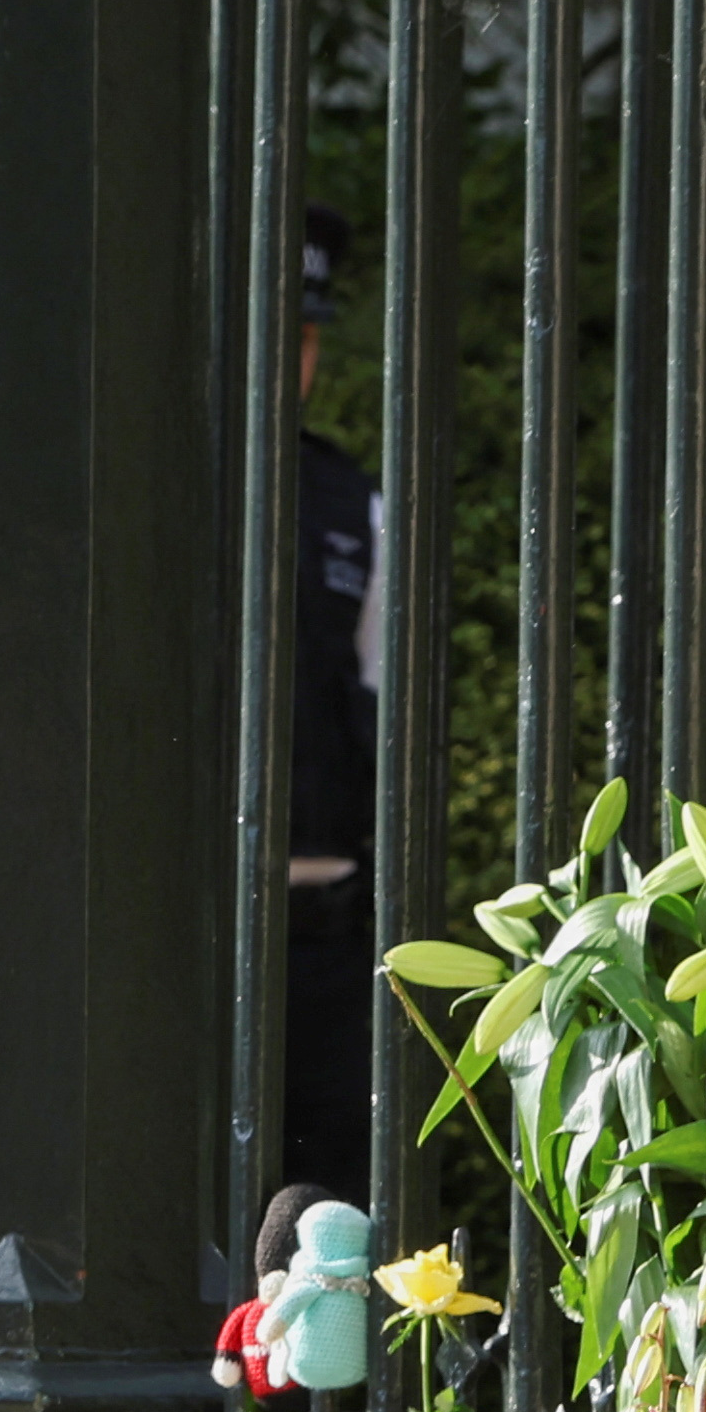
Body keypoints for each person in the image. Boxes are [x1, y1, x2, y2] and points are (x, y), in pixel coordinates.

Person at [280, 199, 384, 1210]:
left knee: (327, 1237)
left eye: (305, 335)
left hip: (324, 935)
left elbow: (377, 711)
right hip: (188, 936)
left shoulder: (354, 503)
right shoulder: (157, 487)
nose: (293, 356)